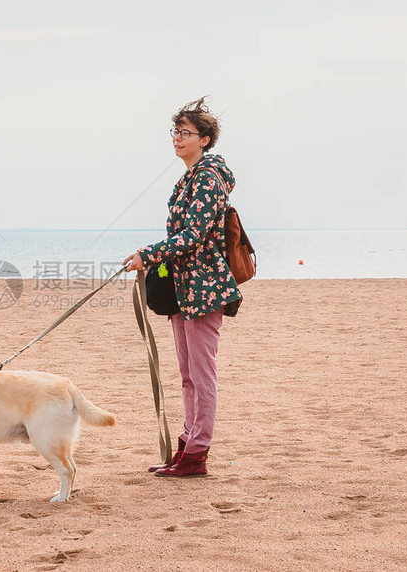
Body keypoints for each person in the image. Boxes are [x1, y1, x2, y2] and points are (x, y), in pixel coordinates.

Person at [123, 97, 241, 478]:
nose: (177, 138)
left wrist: (149, 253)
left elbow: (194, 235)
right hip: (183, 288)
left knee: (202, 376)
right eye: (175, 131)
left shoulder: (208, 176)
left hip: (205, 288)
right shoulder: (190, 175)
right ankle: (186, 448)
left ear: (204, 139)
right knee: (188, 375)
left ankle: (196, 454)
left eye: (185, 132)